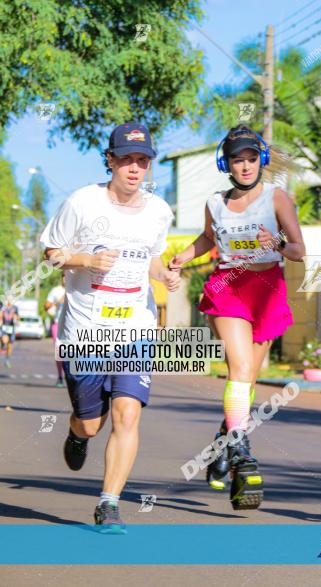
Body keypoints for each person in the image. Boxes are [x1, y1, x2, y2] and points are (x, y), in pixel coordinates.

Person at [40, 122, 179, 533]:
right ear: (111, 160)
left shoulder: (159, 210)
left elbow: (151, 258)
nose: (135, 168)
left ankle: (108, 502)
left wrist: (165, 274)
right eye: (126, 159)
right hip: (85, 329)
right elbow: (51, 255)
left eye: (142, 160)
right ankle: (77, 433)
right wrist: (85, 261)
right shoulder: (83, 203)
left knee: (127, 414)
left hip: (136, 327)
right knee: (91, 422)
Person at [169, 124, 305, 510]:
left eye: (250, 159)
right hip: (229, 287)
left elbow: (298, 250)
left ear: (260, 159)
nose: (244, 166)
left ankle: (223, 444)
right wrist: (184, 255)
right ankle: (242, 452)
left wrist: (277, 242)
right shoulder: (215, 202)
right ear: (225, 164)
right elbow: (209, 238)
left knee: (246, 382)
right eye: (236, 160)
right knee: (240, 368)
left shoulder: (278, 198)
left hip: (267, 292)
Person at [45, 278, 66, 386]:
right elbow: (46, 306)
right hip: (58, 324)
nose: (65, 279)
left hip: (75, 326)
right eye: (64, 277)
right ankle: (60, 376)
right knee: (59, 352)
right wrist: (58, 302)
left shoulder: (79, 287)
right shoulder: (56, 291)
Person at [1, 297, 19, 367]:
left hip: (12, 328)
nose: (9, 301)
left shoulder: (15, 308)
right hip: (4, 327)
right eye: (8, 299)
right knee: (5, 340)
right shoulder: (3, 307)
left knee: (10, 346)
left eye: (11, 299)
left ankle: (7, 360)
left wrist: (16, 318)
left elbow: (18, 316)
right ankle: (2, 346)